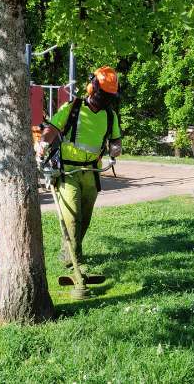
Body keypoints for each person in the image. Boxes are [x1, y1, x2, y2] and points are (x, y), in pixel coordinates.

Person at [37, 66, 123, 269]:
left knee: (84, 219)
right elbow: (53, 128)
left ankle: (68, 254)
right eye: (103, 94)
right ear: (92, 88)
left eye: (109, 96)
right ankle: (76, 262)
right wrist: (42, 144)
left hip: (92, 172)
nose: (105, 100)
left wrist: (115, 149)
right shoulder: (73, 107)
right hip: (68, 171)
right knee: (72, 217)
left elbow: (116, 140)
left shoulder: (110, 116)